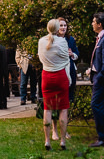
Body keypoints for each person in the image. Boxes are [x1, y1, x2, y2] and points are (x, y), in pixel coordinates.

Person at [38, 19, 71, 151]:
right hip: (60, 75)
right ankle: (62, 141)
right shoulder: (62, 41)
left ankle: (47, 140)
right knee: (63, 108)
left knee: (48, 108)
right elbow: (65, 59)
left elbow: (40, 57)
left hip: (46, 75)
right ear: (58, 29)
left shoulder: (41, 41)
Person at [55, 17, 79, 141]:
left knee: (66, 102)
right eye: (61, 25)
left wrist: (72, 54)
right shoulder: (52, 40)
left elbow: (76, 54)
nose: (63, 28)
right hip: (57, 72)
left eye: (65, 25)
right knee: (56, 102)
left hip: (69, 71)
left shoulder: (70, 39)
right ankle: (54, 130)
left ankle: (64, 129)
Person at [88, 12, 104, 148]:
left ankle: (102, 137)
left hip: (101, 78)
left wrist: (99, 76)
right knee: (102, 106)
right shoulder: (100, 37)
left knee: (95, 105)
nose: (92, 24)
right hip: (97, 75)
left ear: (100, 24)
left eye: (94, 21)